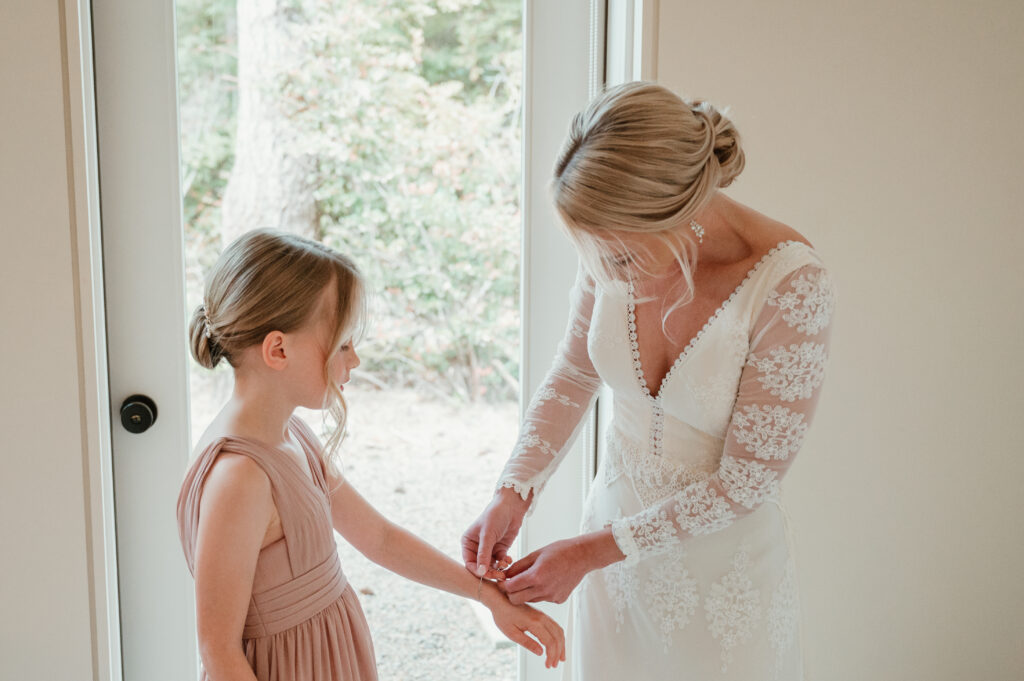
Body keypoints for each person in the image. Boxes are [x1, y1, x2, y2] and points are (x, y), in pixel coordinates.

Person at [462, 82, 836, 680]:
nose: (607, 271)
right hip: (611, 557)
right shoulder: (611, 244)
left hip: (725, 579)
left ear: (678, 216)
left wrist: (589, 552)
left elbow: (747, 482)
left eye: (619, 256)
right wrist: (514, 489)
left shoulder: (790, 285)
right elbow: (576, 369)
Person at [177, 229, 564, 681]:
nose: (354, 359)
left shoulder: (291, 437)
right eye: (342, 343)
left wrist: (487, 595)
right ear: (278, 349)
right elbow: (219, 651)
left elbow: (378, 538)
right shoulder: (239, 477)